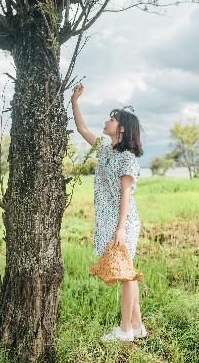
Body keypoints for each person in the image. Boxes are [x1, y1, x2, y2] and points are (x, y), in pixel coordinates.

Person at [71, 83, 148, 342]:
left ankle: (125, 331)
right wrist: (74, 102)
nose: (106, 122)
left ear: (122, 128)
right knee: (127, 273)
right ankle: (137, 326)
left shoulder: (127, 157)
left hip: (124, 221)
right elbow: (82, 130)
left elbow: (126, 195)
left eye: (111, 119)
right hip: (113, 222)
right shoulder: (105, 149)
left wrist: (121, 228)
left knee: (126, 274)